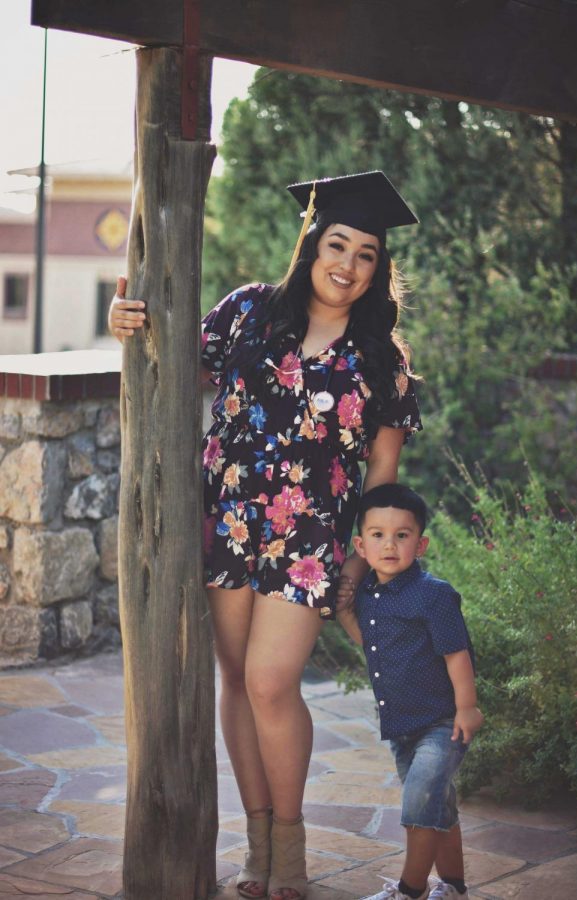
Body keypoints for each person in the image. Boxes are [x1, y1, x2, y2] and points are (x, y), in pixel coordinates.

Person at [108, 172, 422, 900]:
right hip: (225, 523)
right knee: (236, 683)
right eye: (336, 243)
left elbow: (381, 469)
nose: (347, 263)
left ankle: (291, 845)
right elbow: (174, 366)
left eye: (366, 253)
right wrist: (128, 319)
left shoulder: (383, 359)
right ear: (312, 243)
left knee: (270, 682)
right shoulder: (249, 311)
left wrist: (367, 556)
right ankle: (257, 843)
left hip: (309, 541)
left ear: (378, 269)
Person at [338, 483, 484, 900]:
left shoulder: (433, 595)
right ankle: (454, 888)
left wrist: (467, 707)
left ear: (420, 545)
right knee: (439, 807)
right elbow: (368, 643)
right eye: (378, 535)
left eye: (402, 535)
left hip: (442, 722)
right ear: (361, 546)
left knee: (419, 806)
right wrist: (347, 610)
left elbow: (456, 654)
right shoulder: (369, 595)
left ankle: (410, 890)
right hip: (402, 727)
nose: (390, 545)